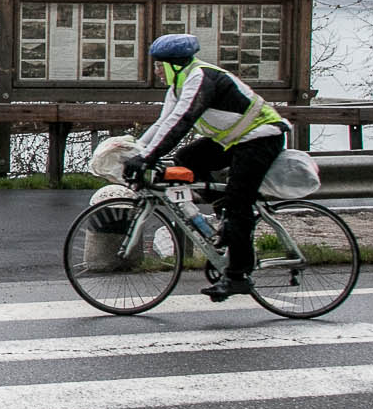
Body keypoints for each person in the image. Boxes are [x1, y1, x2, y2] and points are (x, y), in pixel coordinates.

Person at [123, 33, 289, 300]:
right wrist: (137, 151)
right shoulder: (178, 86)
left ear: (174, 65)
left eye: (159, 65)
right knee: (187, 158)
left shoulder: (199, 78)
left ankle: (237, 276)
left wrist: (147, 159)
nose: (156, 71)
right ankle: (224, 221)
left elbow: (182, 121)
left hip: (262, 137)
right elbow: (162, 124)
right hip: (236, 140)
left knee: (238, 202)